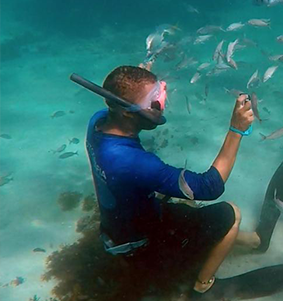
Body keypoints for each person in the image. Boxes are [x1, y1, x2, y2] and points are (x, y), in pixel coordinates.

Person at [83, 65, 260, 294]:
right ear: (126, 111)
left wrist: (138, 84)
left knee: (188, 211)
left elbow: (124, 95)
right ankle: (203, 286)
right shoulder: (132, 162)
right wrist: (236, 130)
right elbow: (210, 186)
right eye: (154, 99)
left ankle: (247, 241)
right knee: (232, 213)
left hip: (119, 229)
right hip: (141, 246)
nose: (162, 102)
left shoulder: (98, 122)